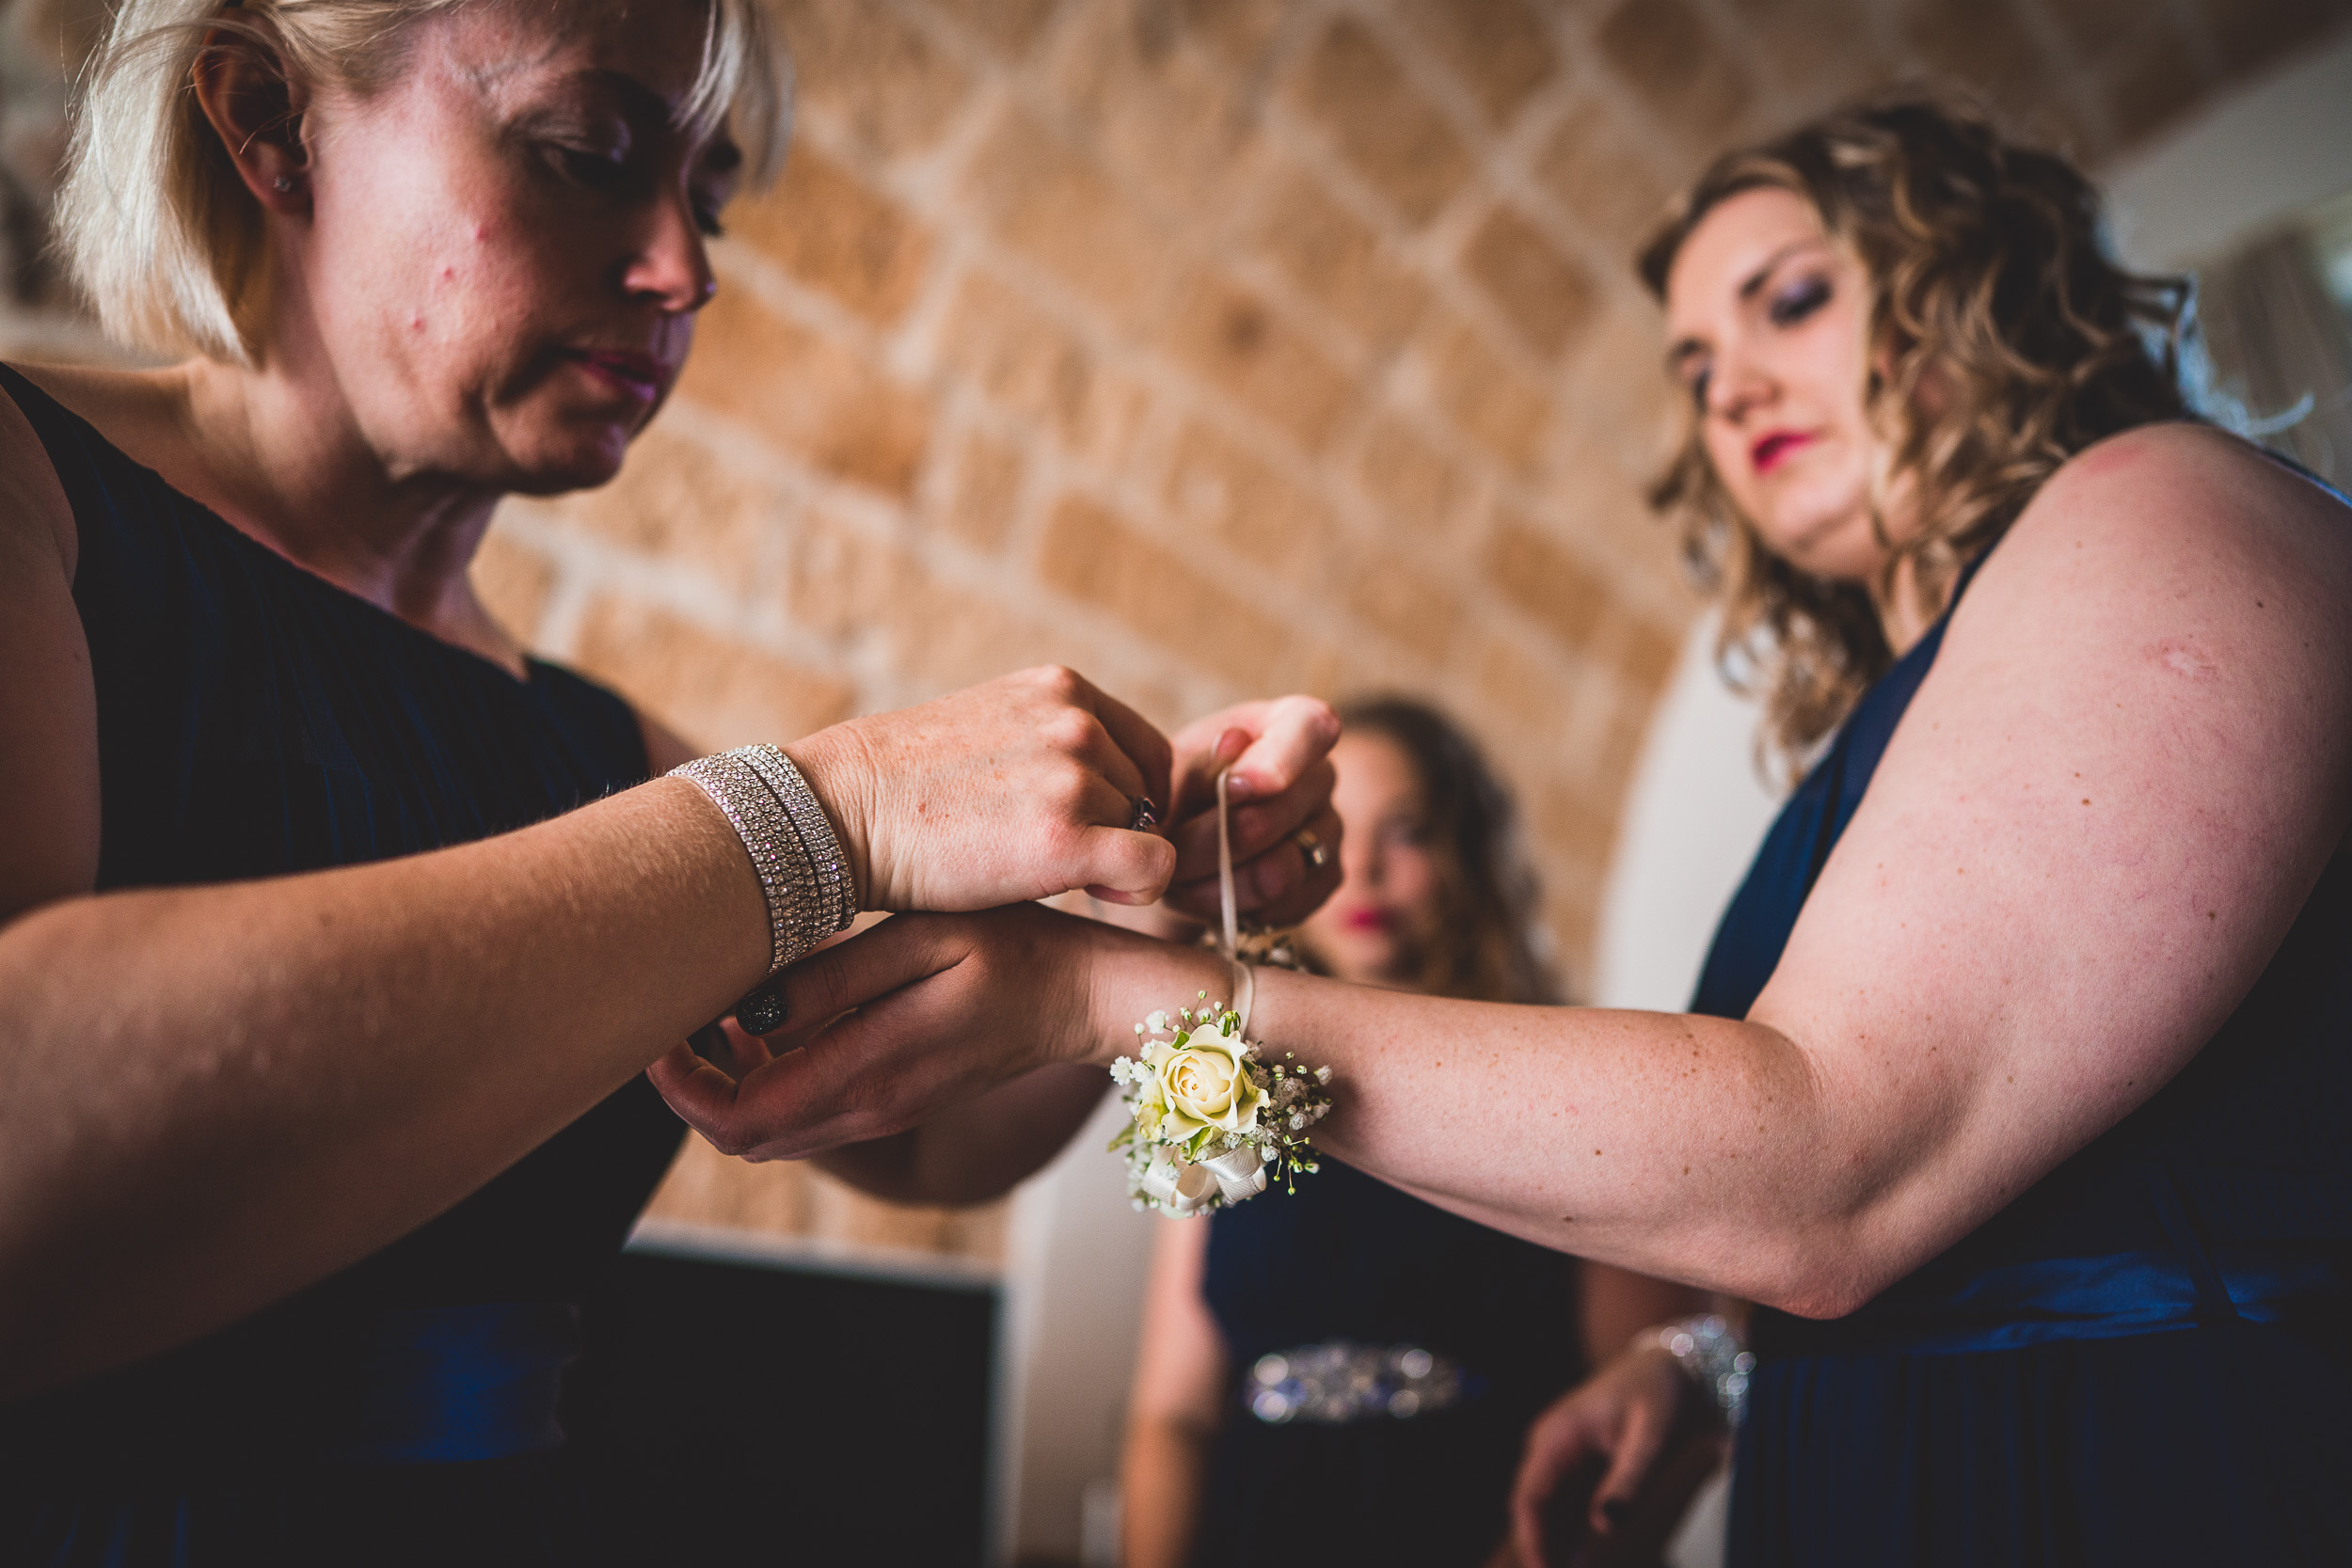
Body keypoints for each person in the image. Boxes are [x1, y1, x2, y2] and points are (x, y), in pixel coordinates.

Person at [660, 98, 2352, 1567]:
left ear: (1970, 278)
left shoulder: (2160, 509)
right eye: (1696, 365)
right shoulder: (1906, 713)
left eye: (1792, 297)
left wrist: (1098, 999)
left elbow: (1834, 1159)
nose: (1733, 382)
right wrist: (1703, 1377)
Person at [0, 3, 1340, 1562]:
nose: (683, 273)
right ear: (266, 121)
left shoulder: (600, 748)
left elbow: (919, 1136)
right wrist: (817, 816)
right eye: (587, 157)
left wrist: (1151, 886)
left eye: (706, 197)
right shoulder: (38, 493)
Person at [1118, 699, 1704, 1568]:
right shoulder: (1220, 1081)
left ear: (1469, 853)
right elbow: (1173, 1412)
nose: (1363, 871)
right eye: (1328, 841)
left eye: (1408, 834)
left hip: (1483, 1519)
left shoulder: (1565, 1079)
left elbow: (1638, 1401)